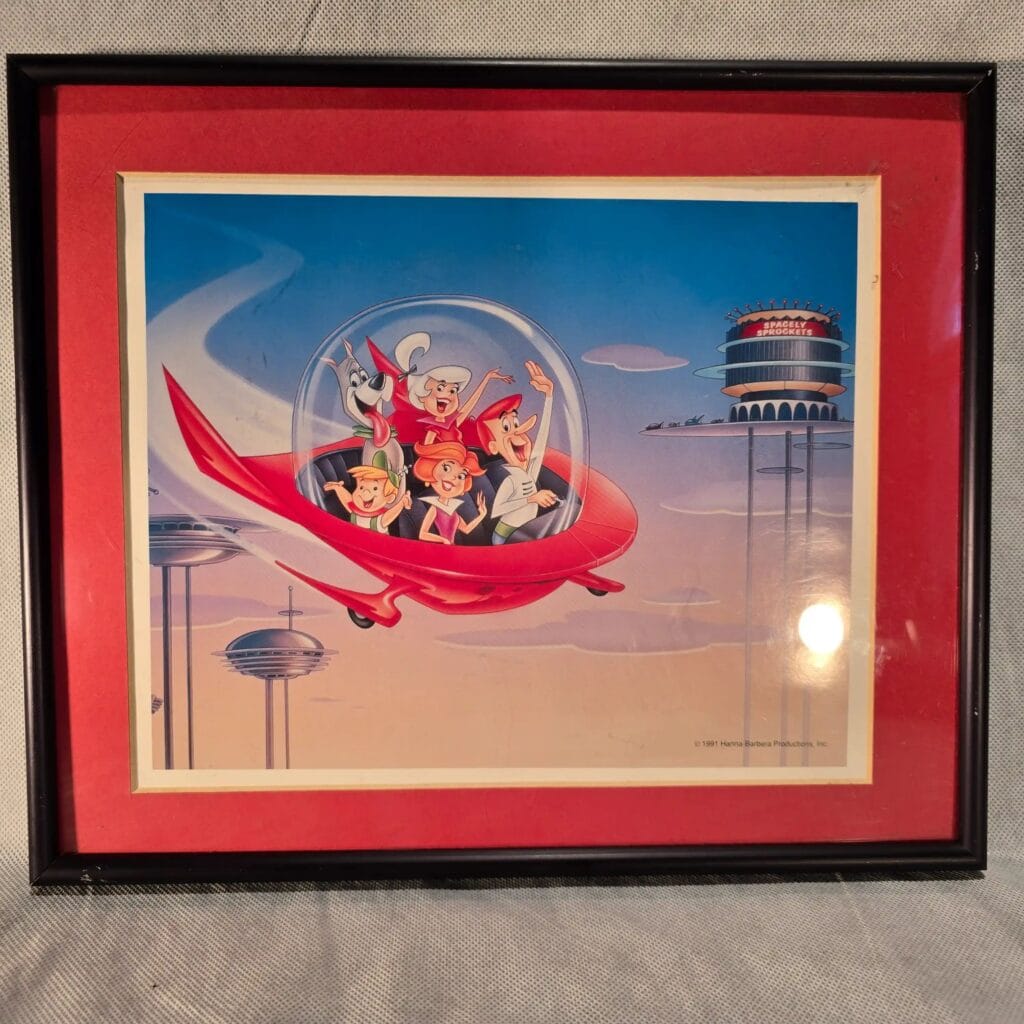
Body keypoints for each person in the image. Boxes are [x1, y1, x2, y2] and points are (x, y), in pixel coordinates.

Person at [475, 359, 558, 545]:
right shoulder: (511, 480)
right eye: (506, 427)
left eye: (516, 423)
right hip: (504, 537)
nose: (518, 434)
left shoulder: (528, 472)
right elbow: (498, 510)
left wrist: (549, 397)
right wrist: (532, 498)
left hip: (526, 531)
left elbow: (542, 439)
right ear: (494, 447)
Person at [393, 331, 513, 444]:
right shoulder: (433, 428)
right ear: (422, 398)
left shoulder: (452, 423)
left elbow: (469, 405)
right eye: (440, 388)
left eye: (453, 390)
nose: (448, 395)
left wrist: (487, 378)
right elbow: (425, 451)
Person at [411, 440, 488, 545]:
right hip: (444, 548)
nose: (453, 478)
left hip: (453, 547)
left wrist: (482, 515)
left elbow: (466, 529)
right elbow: (422, 534)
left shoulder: (452, 510)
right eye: (446, 468)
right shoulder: (435, 508)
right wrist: (443, 540)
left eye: (461, 476)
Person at [323, 457, 411, 534]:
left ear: (389, 497)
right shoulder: (355, 512)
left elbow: (390, 515)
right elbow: (348, 501)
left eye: (375, 489)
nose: (364, 492)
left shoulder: (379, 521)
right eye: (361, 487)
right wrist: (338, 488)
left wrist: (402, 503)